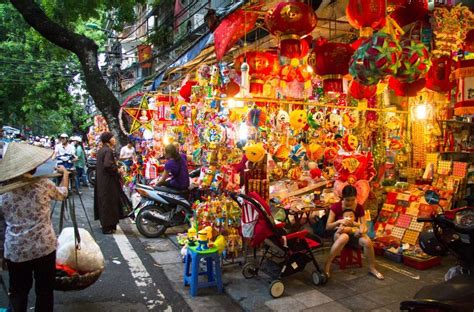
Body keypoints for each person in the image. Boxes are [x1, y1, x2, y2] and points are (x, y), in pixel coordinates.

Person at [0, 142, 70, 312]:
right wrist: (65, 174)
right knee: (44, 291)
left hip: (16, 250)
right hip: (43, 248)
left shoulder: (4, 192)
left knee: (18, 293)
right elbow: (63, 193)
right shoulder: (43, 185)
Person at [324, 185, 384, 280]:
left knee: (367, 241)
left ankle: (372, 268)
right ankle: (327, 265)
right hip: (339, 234)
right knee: (344, 237)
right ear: (342, 198)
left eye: (352, 200)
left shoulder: (359, 207)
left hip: (353, 233)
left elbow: (364, 225)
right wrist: (339, 222)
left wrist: (361, 229)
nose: (350, 203)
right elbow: (328, 227)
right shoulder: (336, 207)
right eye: (347, 200)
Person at [94, 132, 129, 234]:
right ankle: (108, 227)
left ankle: (107, 225)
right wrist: (118, 170)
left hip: (102, 181)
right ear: (108, 140)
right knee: (109, 202)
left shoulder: (101, 150)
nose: (115, 139)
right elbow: (108, 165)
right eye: (113, 138)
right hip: (108, 182)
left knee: (104, 201)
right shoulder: (108, 150)